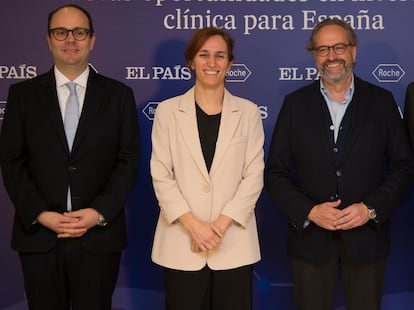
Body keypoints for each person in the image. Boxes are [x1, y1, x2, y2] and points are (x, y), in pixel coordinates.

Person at [265, 18, 414, 310]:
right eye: (323, 49)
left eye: (339, 47)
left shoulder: (381, 102)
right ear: (314, 56)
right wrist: (309, 211)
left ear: (353, 51)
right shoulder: (295, 104)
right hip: (310, 243)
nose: (331, 56)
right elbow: (275, 173)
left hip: (367, 241)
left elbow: (404, 166)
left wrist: (369, 209)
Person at [0, 4, 140, 310]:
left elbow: (128, 161)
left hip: (99, 237)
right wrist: (40, 213)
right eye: (60, 32)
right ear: (49, 40)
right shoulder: (22, 95)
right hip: (39, 236)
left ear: (92, 40)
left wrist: (98, 212)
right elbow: (12, 161)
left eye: (79, 32)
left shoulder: (119, 96)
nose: (70, 39)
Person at [150, 27, 264, 310]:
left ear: (230, 64)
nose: (211, 63)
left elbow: (254, 176)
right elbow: (161, 175)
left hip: (234, 243)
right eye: (204, 55)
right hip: (181, 243)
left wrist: (220, 226)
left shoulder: (248, 112)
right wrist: (194, 226)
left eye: (220, 56)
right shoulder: (167, 111)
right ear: (191, 61)